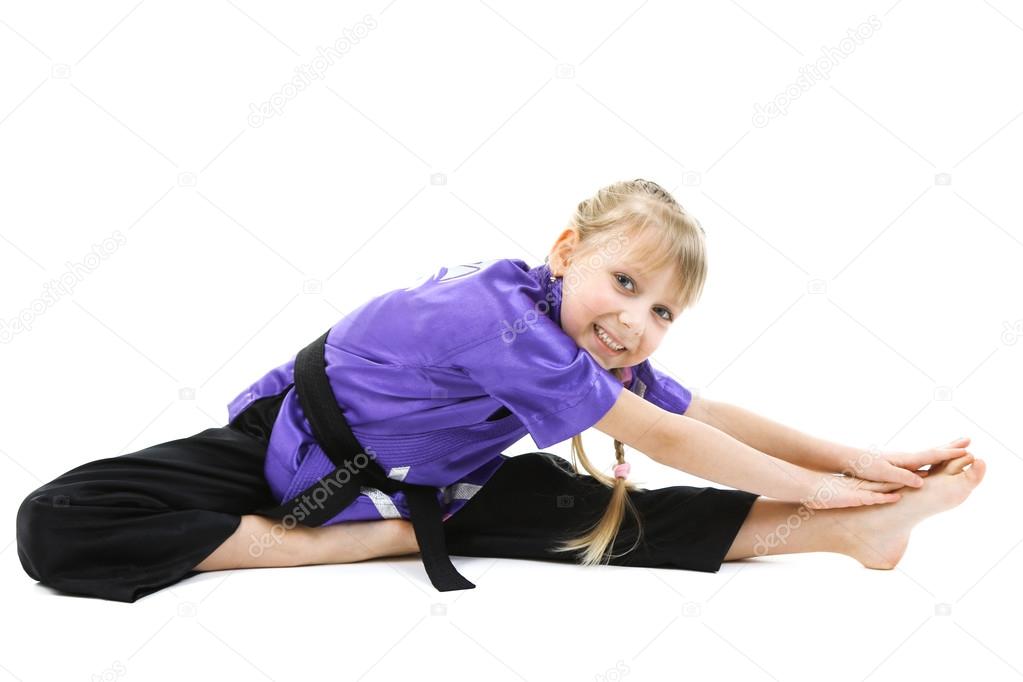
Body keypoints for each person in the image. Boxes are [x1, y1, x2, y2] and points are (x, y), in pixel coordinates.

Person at [16, 178, 986, 603]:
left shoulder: (586, 350)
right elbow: (665, 434)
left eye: (663, 313)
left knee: (610, 521)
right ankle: (388, 537)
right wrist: (811, 478)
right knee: (60, 524)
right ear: (567, 255)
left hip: (439, 477)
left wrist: (854, 464)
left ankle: (854, 533)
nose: (636, 323)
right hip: (288, 453)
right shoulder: (506, 318)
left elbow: (699, 416)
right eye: (625, 284)